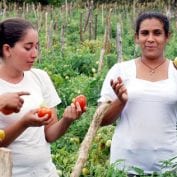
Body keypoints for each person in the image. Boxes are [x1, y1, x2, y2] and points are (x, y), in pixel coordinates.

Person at [0, 17, 85, 177]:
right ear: (7, 49)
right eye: (28, 47)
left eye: (37, 47)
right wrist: (23, 123)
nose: (35, 54)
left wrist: (67, 119)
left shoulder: (40, 77)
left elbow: (49, 134)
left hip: (45, 172)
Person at [98, 11, 177, 176]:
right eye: (144, 33)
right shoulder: (120, 71)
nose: (150, 39)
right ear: (136, 37)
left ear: (167, 37)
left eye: (157, 33)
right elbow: (101, 120)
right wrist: (121, 101)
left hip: (169, 165)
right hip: (126, 165)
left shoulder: (175, 71)